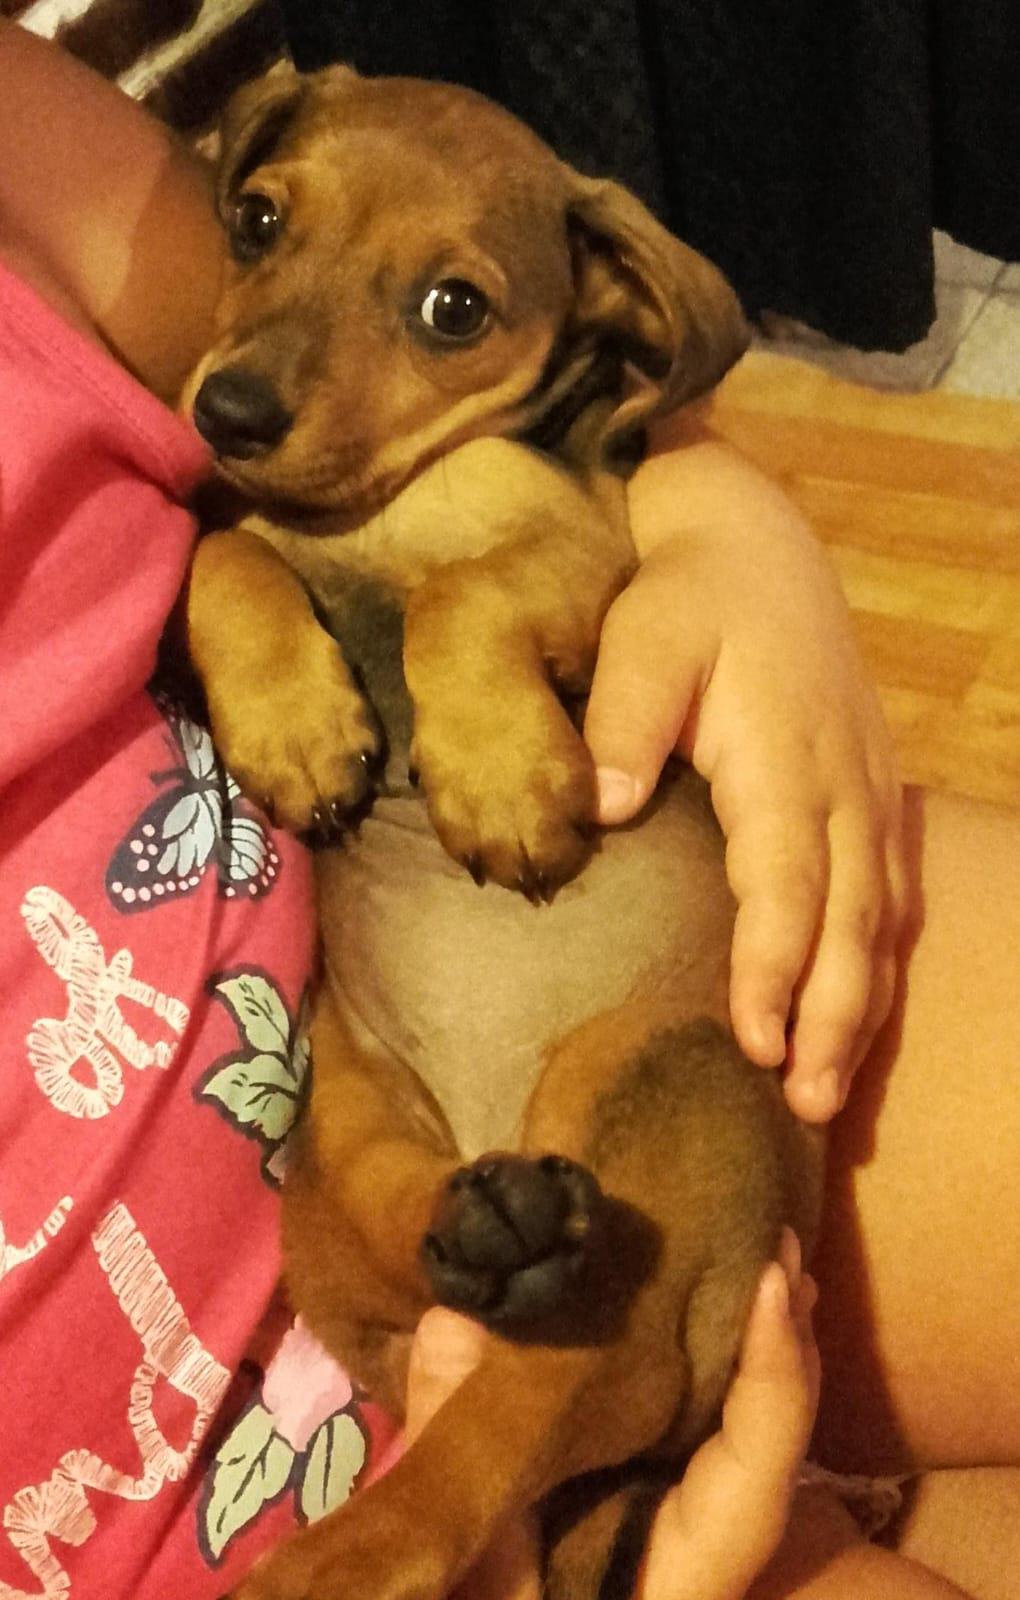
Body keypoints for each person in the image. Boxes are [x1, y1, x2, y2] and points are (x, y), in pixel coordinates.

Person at [0, 19, 1015, 1600]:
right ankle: (457, 1506)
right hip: (338, 1292)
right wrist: (237, 591)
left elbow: (540, 516)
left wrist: (720, 509)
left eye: (447, 310)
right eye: (266, 227)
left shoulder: (39, 148)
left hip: (592, 1059)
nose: (266, 361)